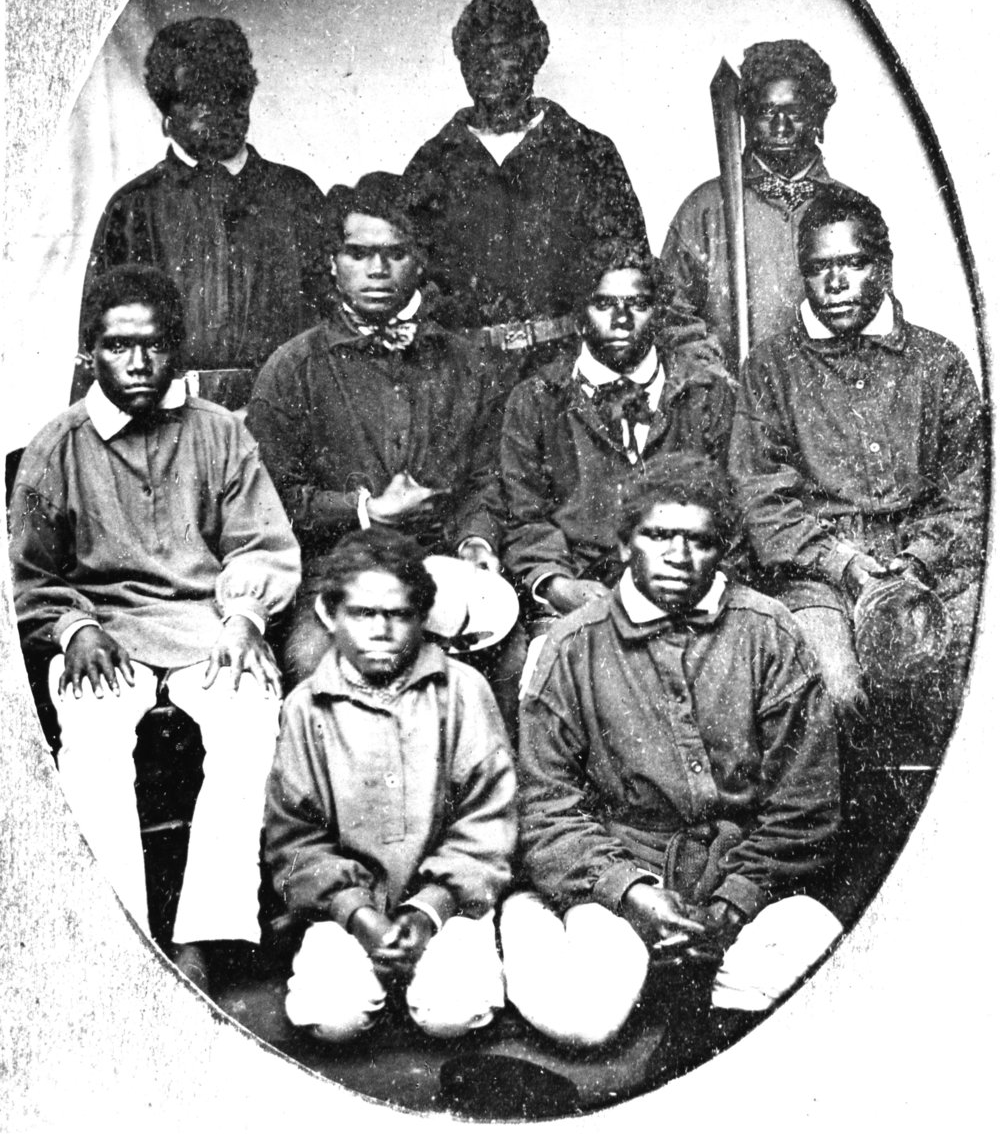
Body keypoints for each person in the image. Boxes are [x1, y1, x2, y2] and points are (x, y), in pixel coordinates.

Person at [9, 266, 301, 994]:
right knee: (94, 737)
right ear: (90, 353)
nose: (137, 363)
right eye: (117, 346)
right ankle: (121, 941)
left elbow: (261, 543)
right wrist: (73, 627)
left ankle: (203, 935)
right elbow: (32, 575)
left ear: (177, 348)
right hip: (103, 632)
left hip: (207, 623)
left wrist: (245, 618)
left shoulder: (220, 433)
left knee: (250, 720)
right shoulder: (55, 447)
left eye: (153, 345)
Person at [499, 456, 842, 1048]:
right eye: (658, 536)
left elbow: (805, 802)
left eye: (699, 541)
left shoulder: (769, 631)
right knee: (585, 1018)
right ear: (625, 543)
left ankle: (707, 1001)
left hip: (742, 872)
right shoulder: (571, 645)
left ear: (722, 549)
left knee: (819, 954)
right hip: (622, 873)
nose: (679, 557)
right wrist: (628, 891)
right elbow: (546, 807)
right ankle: (534, 915)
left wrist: (735, 899)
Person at [728, 186, 985, 717]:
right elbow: (762, 499)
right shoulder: (771, 368)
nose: (837, 283)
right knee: (835, 689)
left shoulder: (939, 362)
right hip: (817, 574)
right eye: (820, 268)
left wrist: (918, 560)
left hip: (930, 564)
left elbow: (969, 492)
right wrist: (841, 563)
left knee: (967, 675)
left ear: (884, 268)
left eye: (855, 263)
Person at [246, 171, 507, 687]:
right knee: (316, 664)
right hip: (335, 574)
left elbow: (488, 478)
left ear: (421, 261)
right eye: (359, 254)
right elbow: (272, 500)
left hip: (441, 565)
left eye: (395, 254)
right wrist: (365, 511)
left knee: (511, 665)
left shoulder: (468, 365)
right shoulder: (293, 367)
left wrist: (477, 540)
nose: (377, 270)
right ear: (332, 263)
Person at [263, 528, 517, 1043]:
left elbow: (488, 820)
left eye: (399, 615)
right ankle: (373, 987)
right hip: (347, 913)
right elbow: (295, 839)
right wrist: (356, 915)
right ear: (330, 615)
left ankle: (428, 983)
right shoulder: (306, 707)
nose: (381, 631)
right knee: (331, 1019)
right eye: (362, 614)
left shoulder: (464, 691)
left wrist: (429, 911)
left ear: (423, 617)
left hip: (448, 906)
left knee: (450, 1015)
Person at [403, 0, 647, 392]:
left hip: (564, 378)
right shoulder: (433, 164)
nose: (486, 66)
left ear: (535, 55)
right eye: (474, 53)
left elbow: (632, 275)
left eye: (502, 51)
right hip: (462, 383)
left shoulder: (588, 155)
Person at [77, 17, 328, 409]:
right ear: (166, 109)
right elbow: (100, 347)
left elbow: (332, 330)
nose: (213, 109)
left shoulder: (296, 197)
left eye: (228, 92)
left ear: (247, 98)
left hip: (281, 416)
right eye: (194, 97)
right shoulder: (134, 207)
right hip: (166, 420)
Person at [501, 238, 734, 634]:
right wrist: (557, 585)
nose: (622, 319)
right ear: (579, 315)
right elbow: (523, 516)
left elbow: (731, 509)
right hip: (577, 592)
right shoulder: (536, 400)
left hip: (688, 588)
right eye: (604, 304)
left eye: (638, 304)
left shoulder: (705, 394)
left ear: (659, 312)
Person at [662, 39, 842, 372]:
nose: (780, 126)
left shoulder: (847, 209)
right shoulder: (705, 209)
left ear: (817, 116)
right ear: (746, 117)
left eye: (795, 112)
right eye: (767, 111)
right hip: (730, 394)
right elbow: (670, 313)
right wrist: (714, 379)